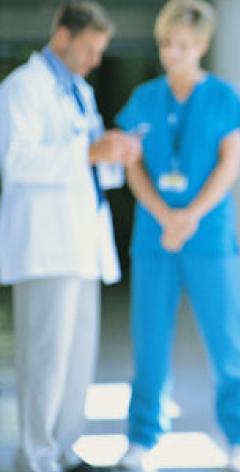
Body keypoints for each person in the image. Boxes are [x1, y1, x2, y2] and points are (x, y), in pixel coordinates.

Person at [113, 0, 240, 469]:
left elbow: (230, 164)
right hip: (155, 239)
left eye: (181, 45)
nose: (170, 54)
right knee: (149, 341)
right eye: (164, 44)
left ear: (201, 46)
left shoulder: (224, 98)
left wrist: (189, 215)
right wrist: (164, 215)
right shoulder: (144, 99)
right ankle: (142, 438)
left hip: (209, 237)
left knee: (227, 340)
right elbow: (132, 166)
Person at [0, 1, 141, 471]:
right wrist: (88, 151)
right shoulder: (22, 88)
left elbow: (90, 164)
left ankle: (64, 450)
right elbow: (16, 162)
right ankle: (36, 458)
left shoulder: (79, 91)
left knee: (77, 361)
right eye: (89, 48)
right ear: (62, 36)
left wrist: (115, 154)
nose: (96, 60)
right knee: (45, 363)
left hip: (81, 247)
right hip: (46, 249)